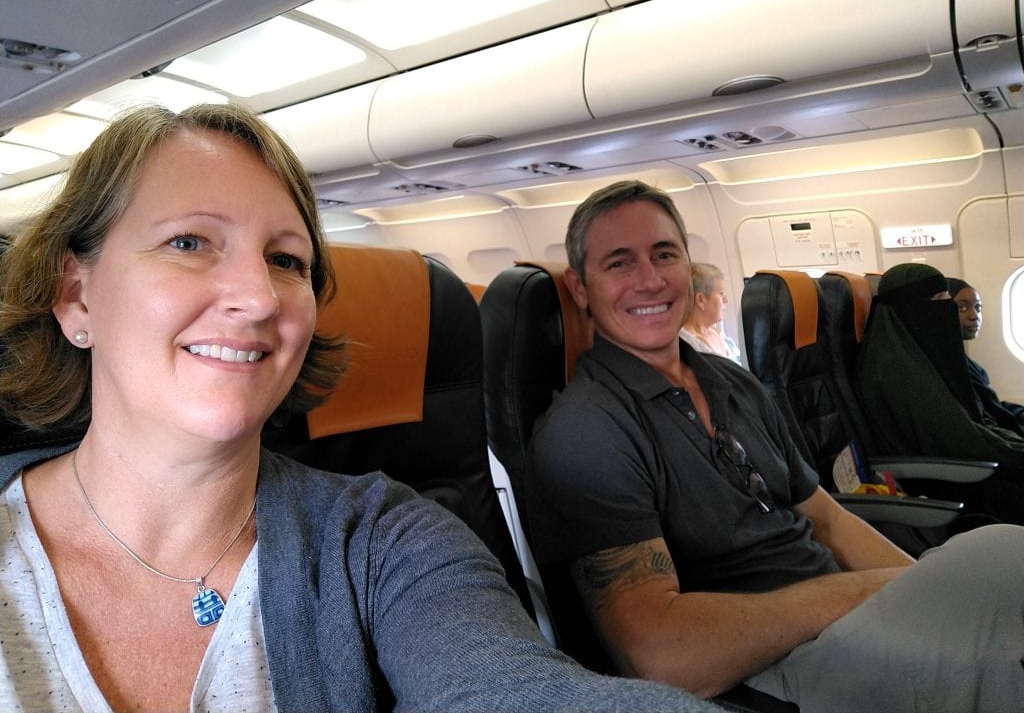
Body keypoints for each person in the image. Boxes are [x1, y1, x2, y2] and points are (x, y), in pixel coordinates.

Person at [0, 106, 726, 713]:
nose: (258, 298)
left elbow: (517, 691)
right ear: (76, 295)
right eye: (189, 242)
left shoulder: (384, 542)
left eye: (287, 261)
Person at [526, 180, 1024, 712]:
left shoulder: (729, 382)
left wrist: (919, 587)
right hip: (771, 674)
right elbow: (659, 655)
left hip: (843, 625)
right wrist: (873, 593)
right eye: (619, 263)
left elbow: (828, 520)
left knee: (997, 560)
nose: (649, 280)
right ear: (581, 288)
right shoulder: (586, 431)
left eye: (664, 254)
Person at [856, 263, 1024, 524]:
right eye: (939, 300)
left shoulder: (916, 354)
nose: (946, 310)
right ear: (911, 307)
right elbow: (960, 441)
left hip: (963, 465)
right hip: (944, 479)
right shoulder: (896, 369)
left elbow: (973, 424)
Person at [948, 276, 1024, 433]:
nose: (974, 316)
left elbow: (991, 405)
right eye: (962, 308)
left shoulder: (964, 360)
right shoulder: (952, 365)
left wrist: (1019, 412)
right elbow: (993, 415)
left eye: (978, 307)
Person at [678, 262, 742, 365]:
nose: (726, 299)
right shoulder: (689, 345)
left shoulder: (718, 334)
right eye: (721, 293)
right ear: (701, 300)